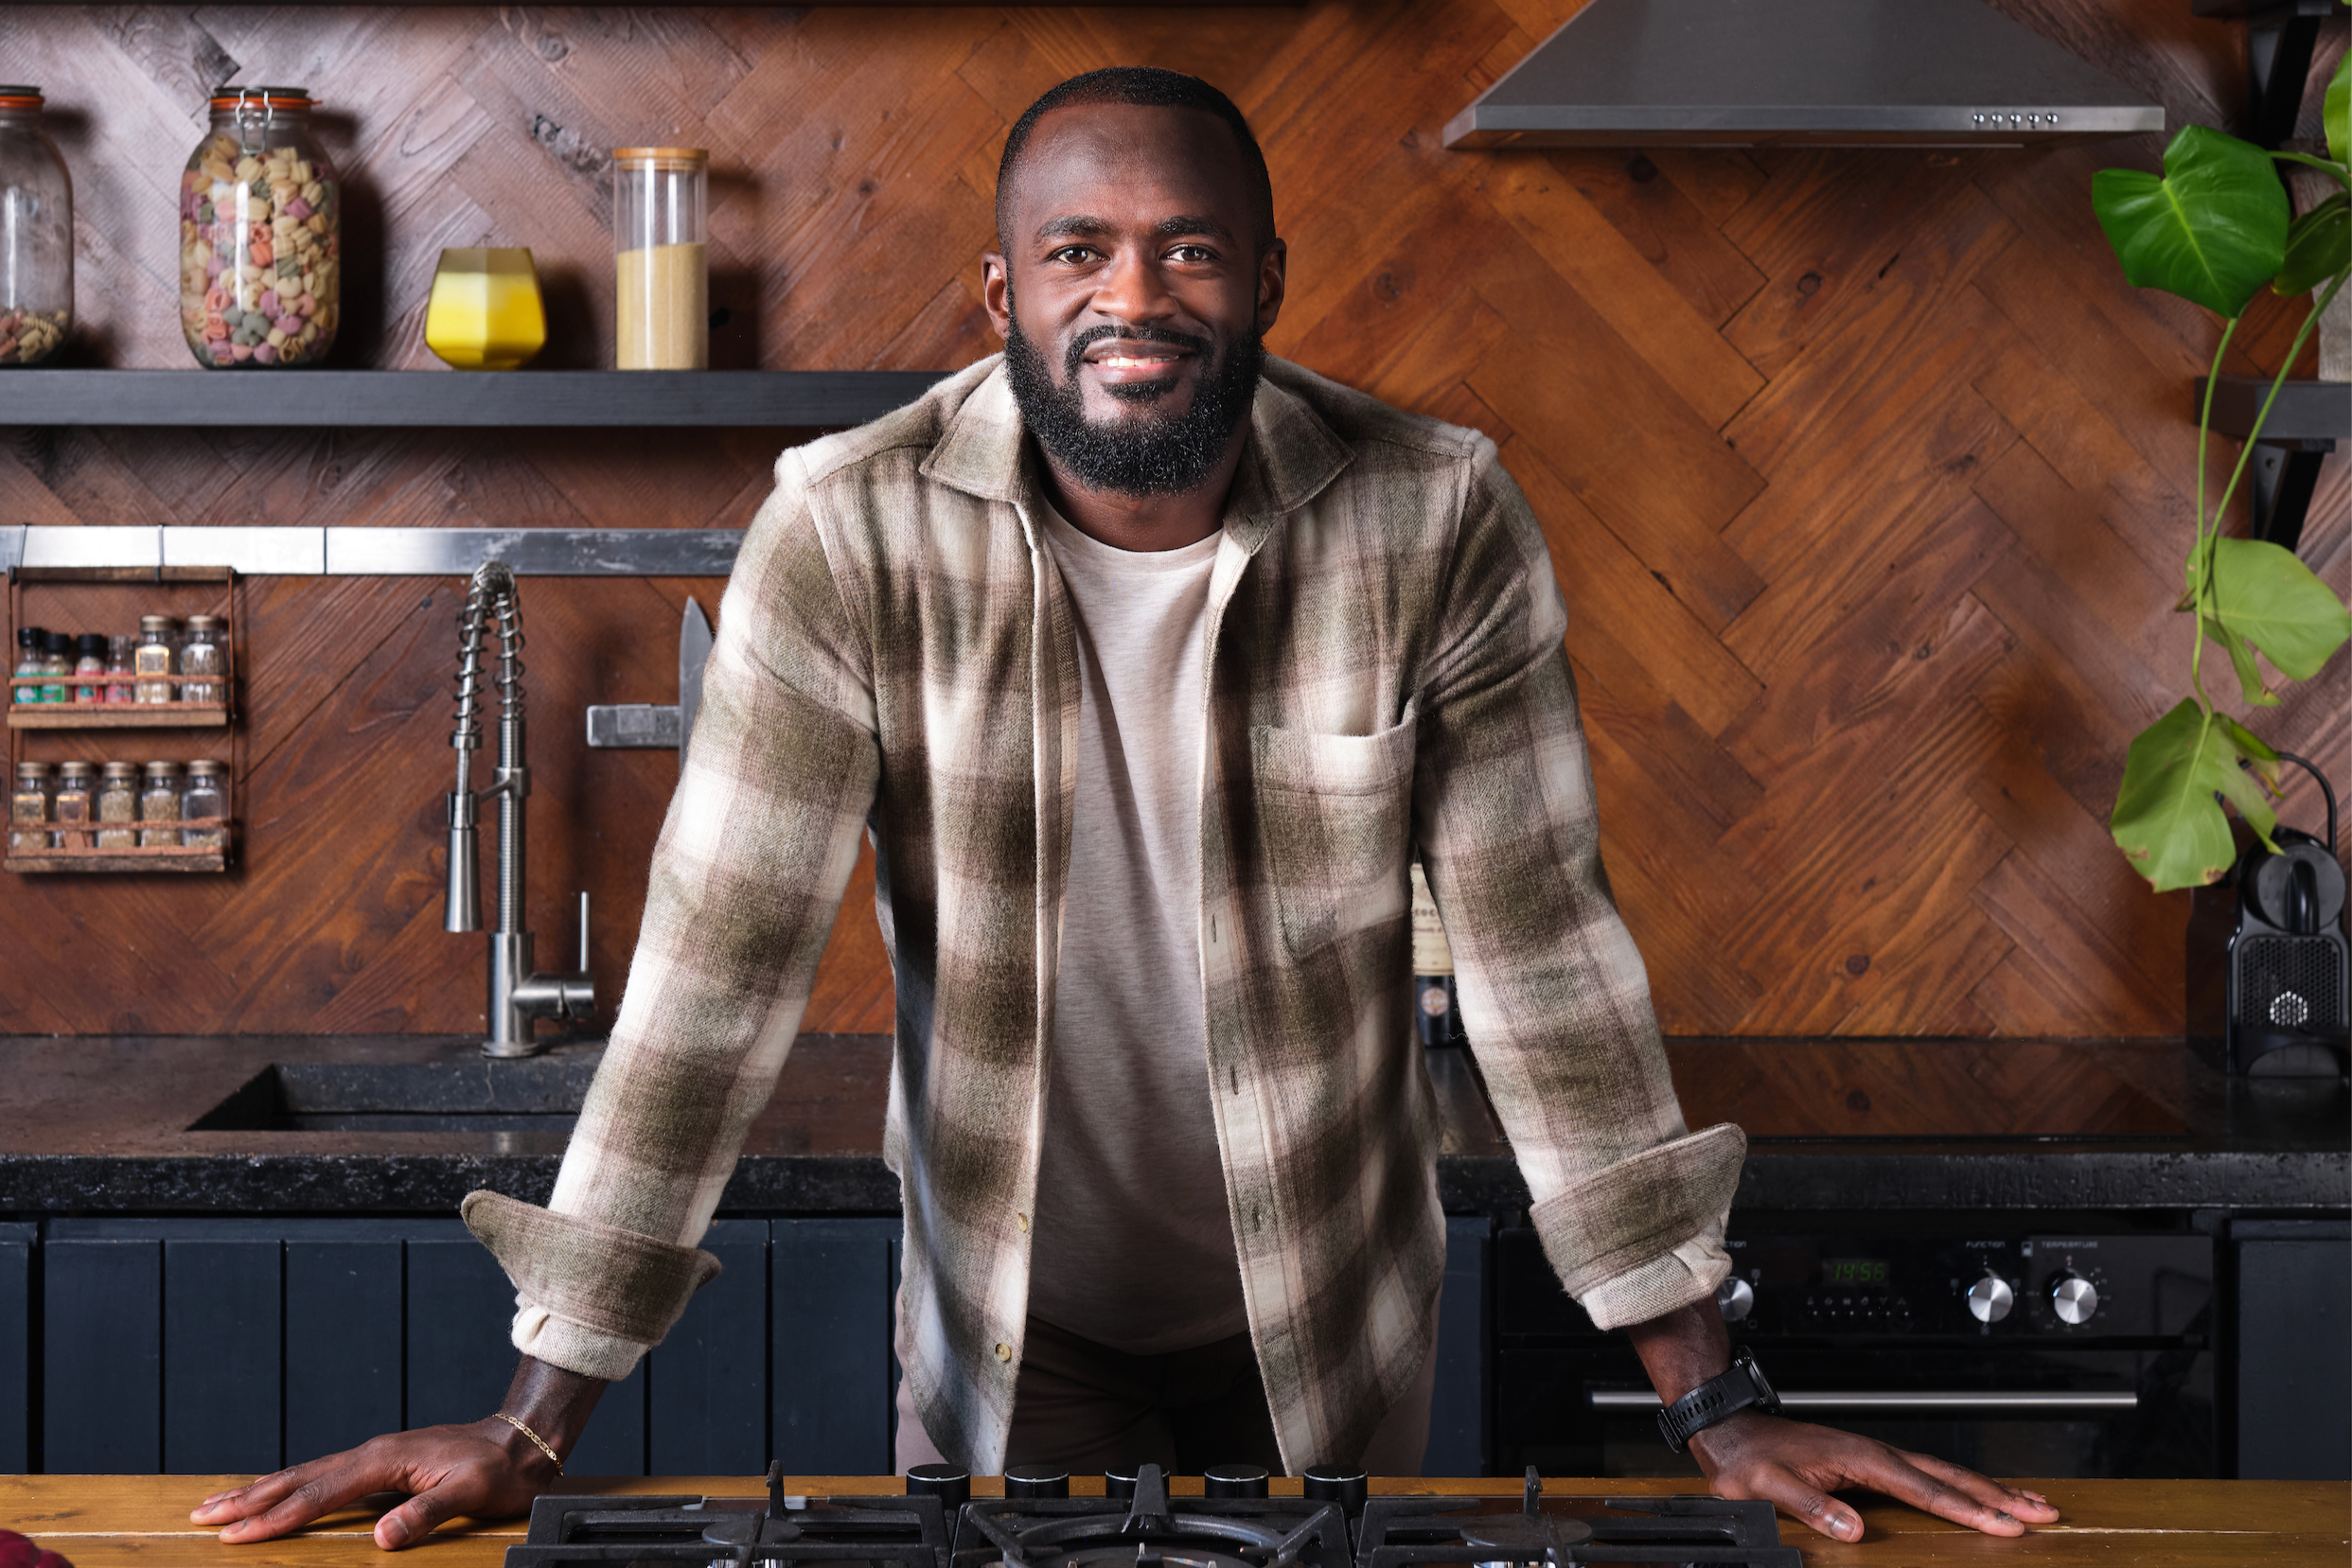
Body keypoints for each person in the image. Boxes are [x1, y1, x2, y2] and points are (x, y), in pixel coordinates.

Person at [192, 67, 2060, 1550]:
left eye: (1186, 252)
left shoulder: (1434, 518)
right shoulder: (848, 531)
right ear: (1003, 294)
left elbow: (1542, 962)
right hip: (1011, 1329)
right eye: (1079, 254)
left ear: (1265, 278)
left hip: (1327, 1317)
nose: (1134, 299)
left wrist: (1716, 1405)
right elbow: (712, 987)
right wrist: (533, 1427)